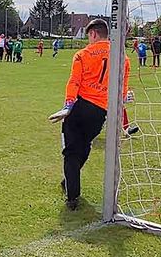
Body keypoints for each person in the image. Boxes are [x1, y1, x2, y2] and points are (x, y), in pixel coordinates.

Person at [48, 19, 130, 210]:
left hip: (80, 107)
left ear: (93, 34)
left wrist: (68, 105)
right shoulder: (123, 58)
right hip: (101, 111)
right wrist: (120, 106)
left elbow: (74, 81)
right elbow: (122, 89)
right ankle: (69, 179)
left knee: (71, 151)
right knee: (84, 147)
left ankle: (72, 196)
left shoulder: (83, 54)